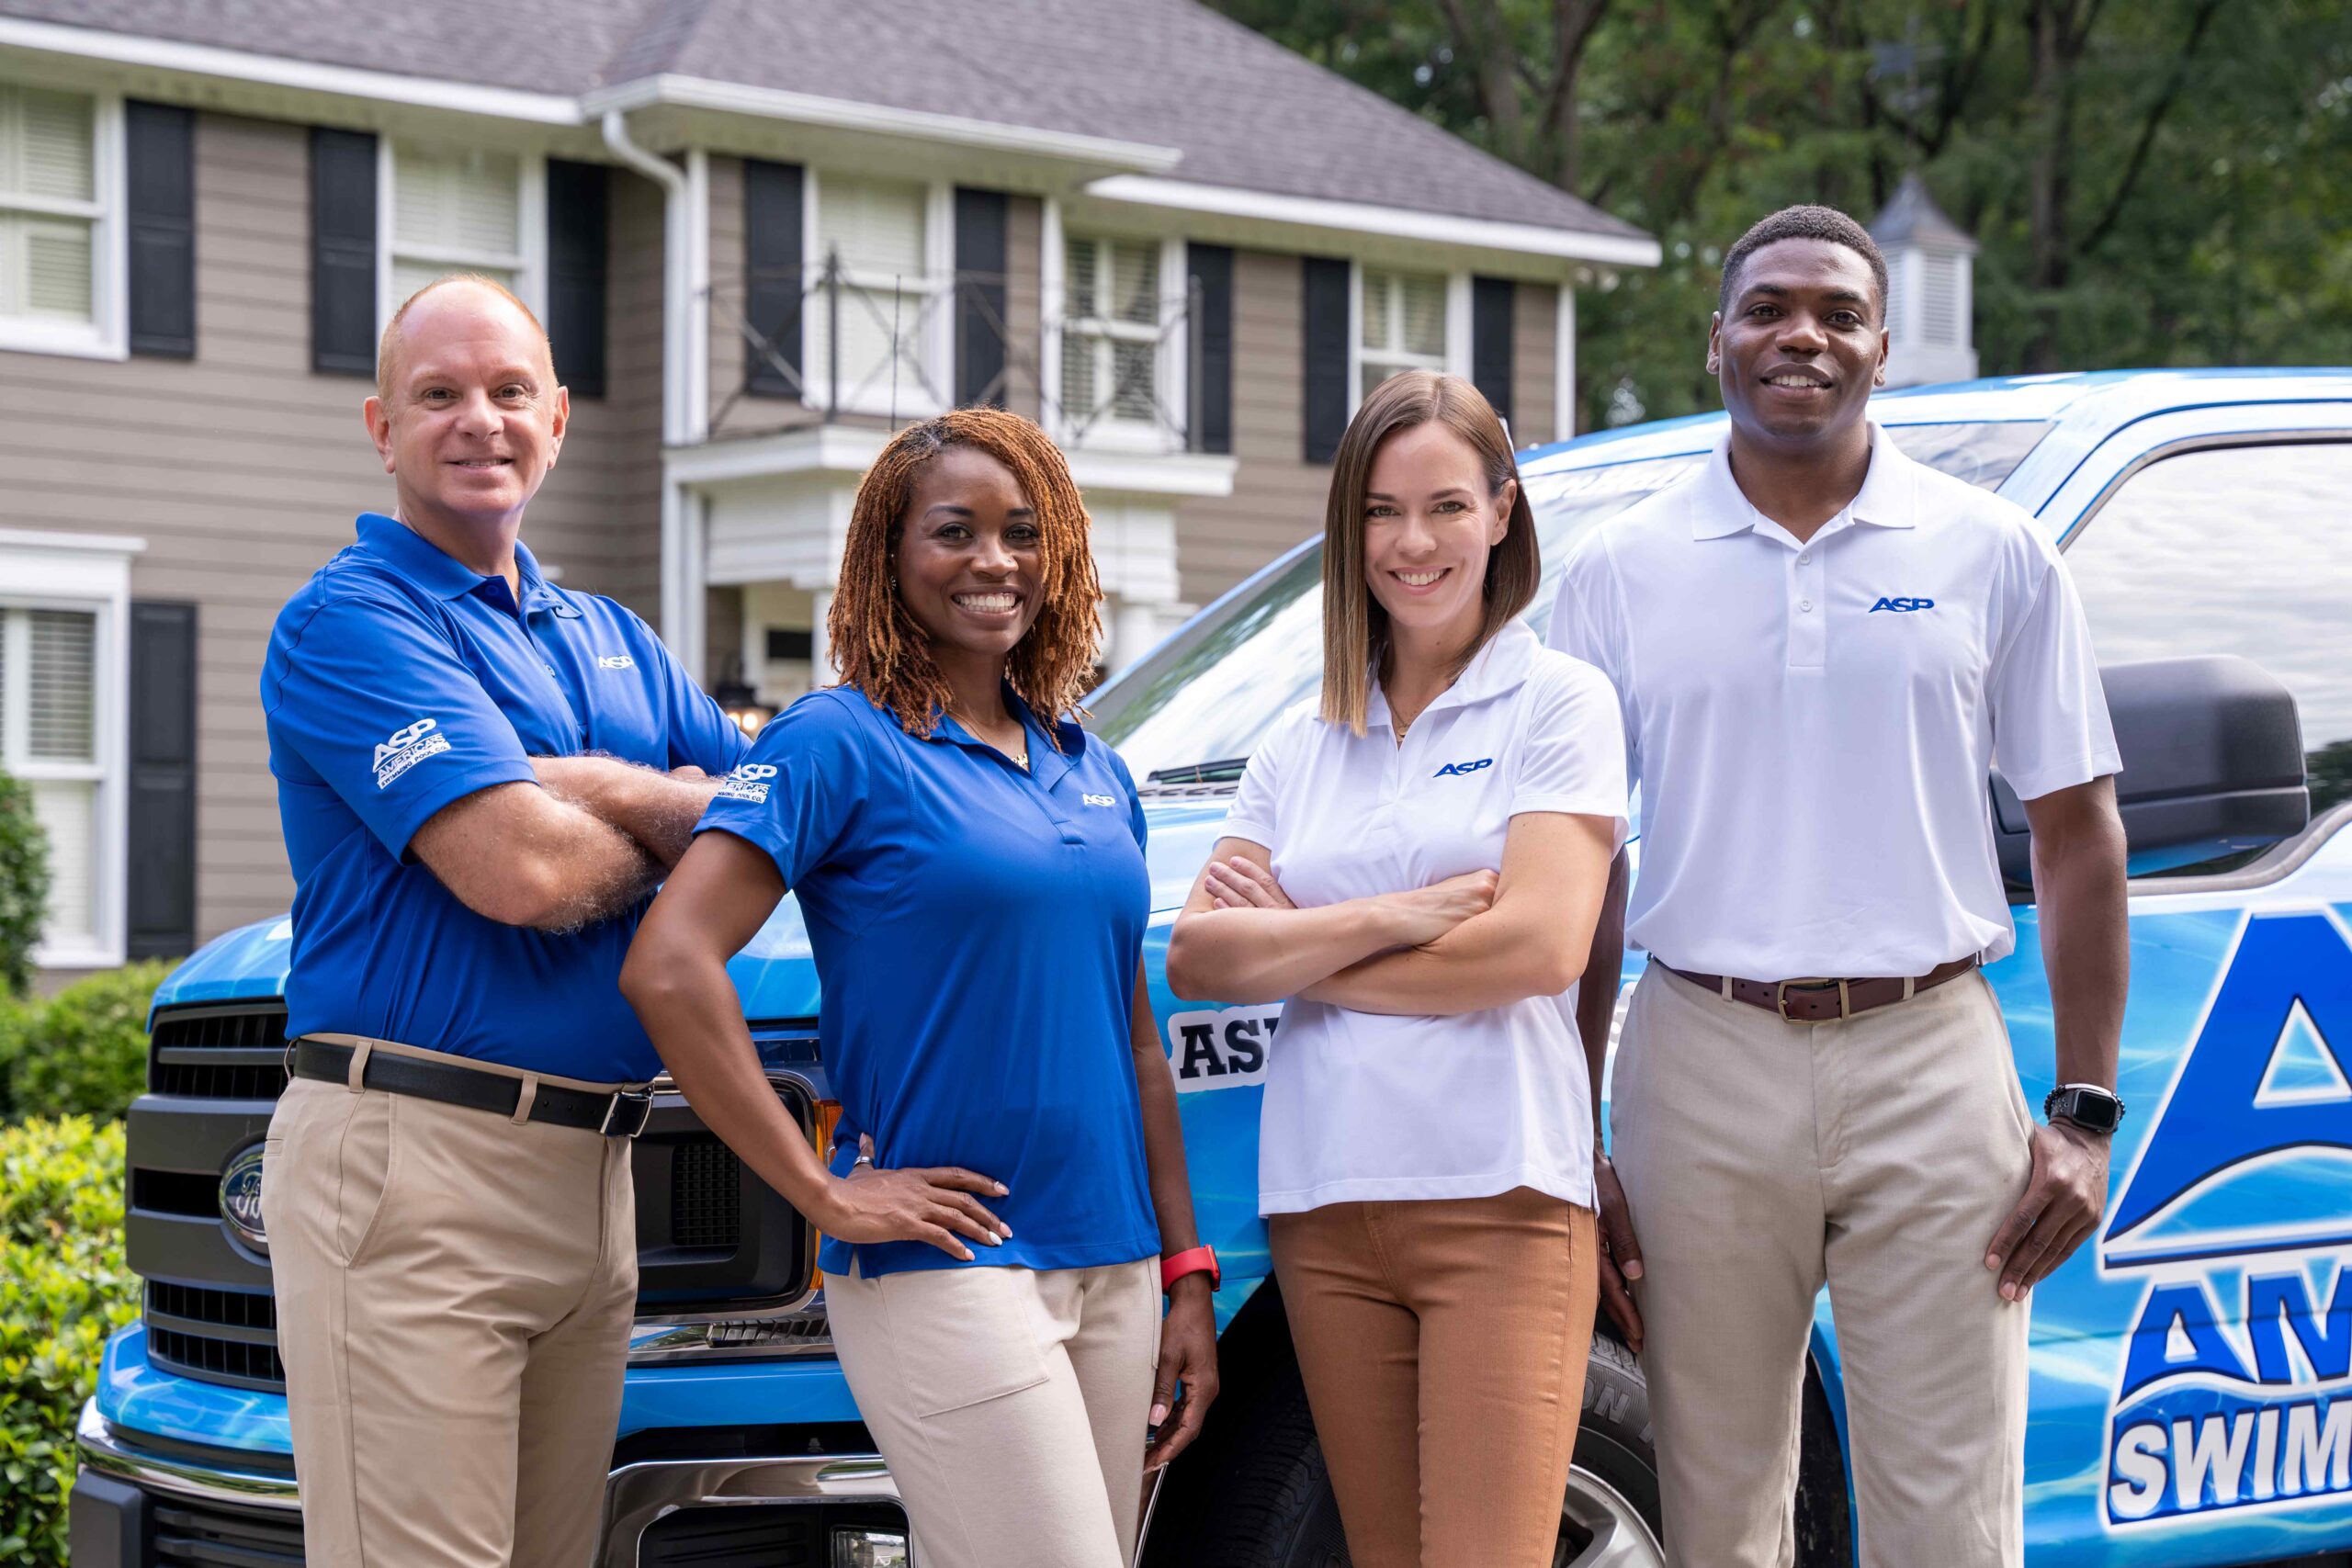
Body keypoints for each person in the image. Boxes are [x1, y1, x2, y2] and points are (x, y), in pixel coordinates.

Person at [1551, 206, 2129, 1567]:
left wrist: (2086, 1114)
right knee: (1715, 1506)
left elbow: (2078, 830)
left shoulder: (1990, 551)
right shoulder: (1618, 572)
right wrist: (1575, 1126)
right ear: (1716, 342)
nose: (1799, 332)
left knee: (1951, 1514)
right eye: (1766, 308)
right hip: (1697, 1053)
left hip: (1931, 1052)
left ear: (1882, 349)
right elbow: (1582, 865)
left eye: (1836, 311)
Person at [621, 406, 1219, 1568]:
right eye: (955, 531)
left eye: (1022, 532)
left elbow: (1135, 1043)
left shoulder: (1092, 766)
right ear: (888, 558)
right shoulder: (837, 741)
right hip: (948, 1268)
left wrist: (1185, 1271)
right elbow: (669, 963)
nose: (995, 561)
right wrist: (821, 1192)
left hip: (1115, 1267)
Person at [257, 274, 746, 1568]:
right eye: (439, 394)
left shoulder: (616, 639)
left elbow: (766, 819)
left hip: (597, 1176)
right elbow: (516, 874)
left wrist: (577, 780)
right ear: (381, 425)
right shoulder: (349, 622)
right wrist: (663, 805)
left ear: (560, 415)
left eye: (509, 389)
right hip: (418, 1166)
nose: (479, 420)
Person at [1165, 370, 1627, 1568]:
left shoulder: (1560, 703)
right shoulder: (1300, 740)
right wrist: (1406, 915)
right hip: (1326, 1207)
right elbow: (1205, 953)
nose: (1412, 541)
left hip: (1501, 1199)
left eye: (1445, 506)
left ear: (1502, 512)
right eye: (1380, 510)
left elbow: (1539, 946)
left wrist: (1308, 945)